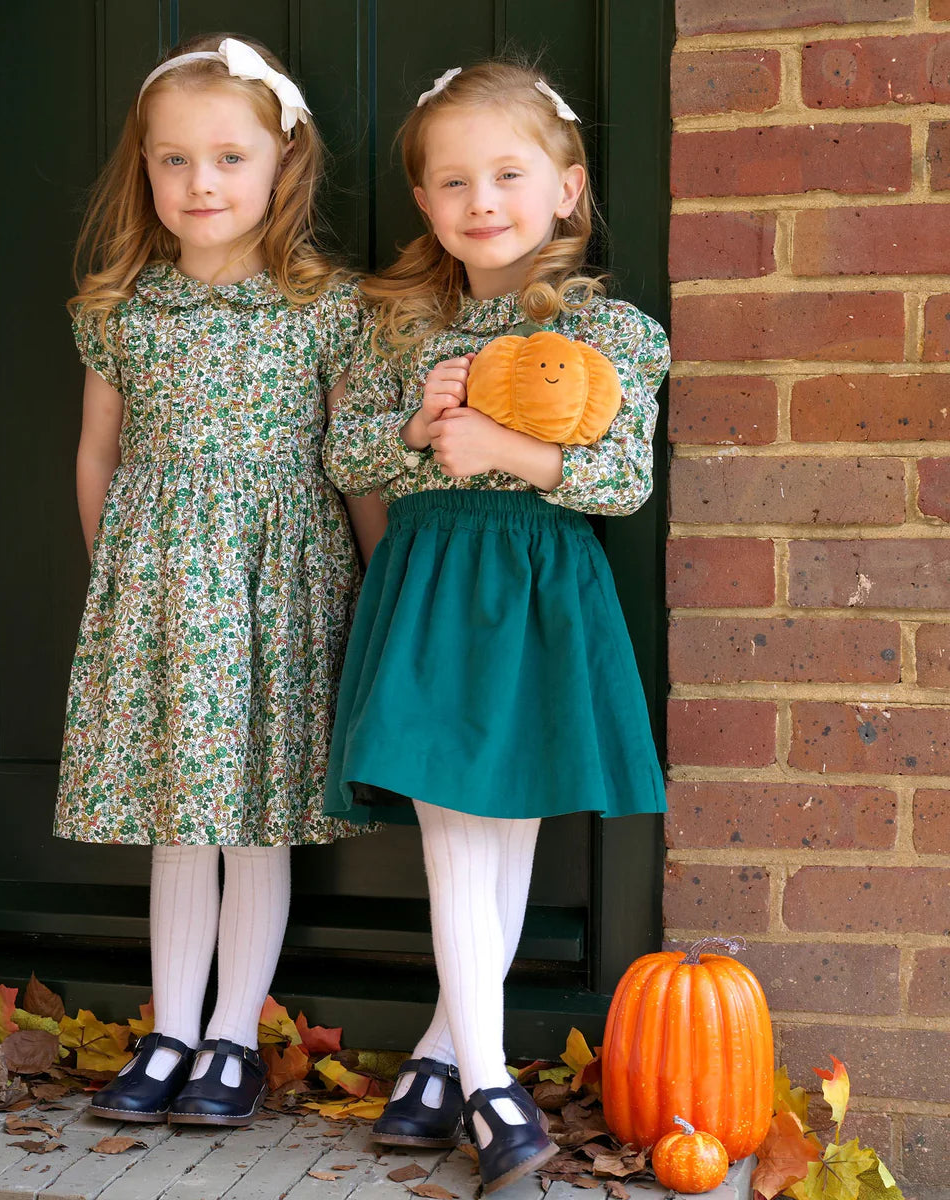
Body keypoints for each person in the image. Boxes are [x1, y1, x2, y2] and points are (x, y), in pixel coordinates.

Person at [322, 60, 670, 1193]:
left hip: (536, 589)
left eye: (509, 175)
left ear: (566, 188)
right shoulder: (400, 331)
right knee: (452, 832)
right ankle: (488, 1085)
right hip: (432, 586)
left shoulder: (611, 330)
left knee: (500, 829)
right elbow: (346, 457)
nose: (483, 201)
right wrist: (419, 431)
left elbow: (621, 480)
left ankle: (440, 1060)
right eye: (454, 181)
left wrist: (504, 449)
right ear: (425, 202)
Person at [54, 32, 382, 1128]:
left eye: (230, 158)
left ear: (284, 162)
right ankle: (169, 1034)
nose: (201, 182)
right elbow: (98, 453)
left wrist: (377, 584)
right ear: (145, 167)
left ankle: (233, 1037)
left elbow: (353, 464)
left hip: (281, 590)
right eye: (175, 159)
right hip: (163, 593)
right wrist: (119, 577)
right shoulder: (122, 309)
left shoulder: (325, 307)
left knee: (259, 819)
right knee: (179, 816)